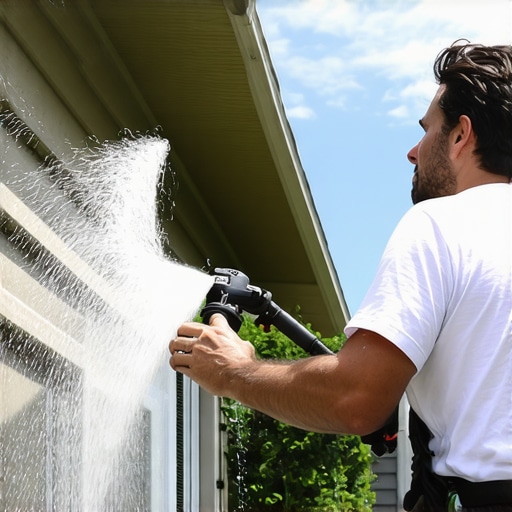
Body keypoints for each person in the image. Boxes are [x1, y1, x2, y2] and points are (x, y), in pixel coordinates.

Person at [169, 41, 512, 511]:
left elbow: (357, 399)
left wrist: (235, 371)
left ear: (460, 136)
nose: (413, 152)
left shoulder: (443, 223)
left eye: (427, 130)